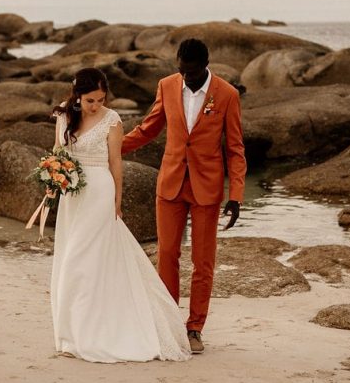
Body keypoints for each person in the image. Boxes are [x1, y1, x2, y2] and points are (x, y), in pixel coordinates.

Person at [49, 67, 191, 363]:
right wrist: (54, 178)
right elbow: (57, 152)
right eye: (90, 100)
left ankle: (92, 333)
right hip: (72, 195)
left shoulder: (112, 120)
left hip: (99, 192)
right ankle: (71, 333)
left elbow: (115, 162)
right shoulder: (63, 115)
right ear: (77, 95)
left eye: (100, 99)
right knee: (69, 259)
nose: (96, 105)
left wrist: (116, 199)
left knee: (81, 260)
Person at [122, 38, 247, 354]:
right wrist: (112, 146)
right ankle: (167, 322)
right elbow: (149, 128)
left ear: (205, 65)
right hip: (171, 183)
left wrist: (236, 195)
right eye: (181, 71)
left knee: (203, 262)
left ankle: (194, 328)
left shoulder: (228, 95)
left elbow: (234, 148)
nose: (186, 78)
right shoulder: (166, 85)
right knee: (167, 255)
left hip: (207, 189)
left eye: (191, 73)